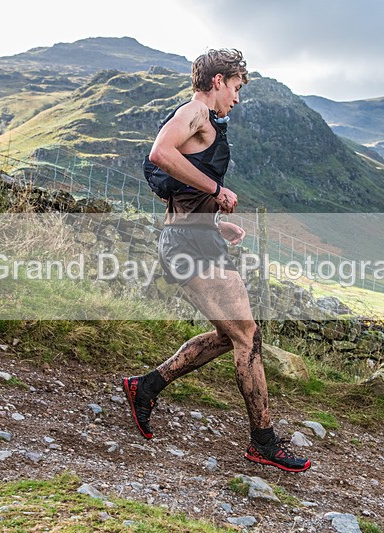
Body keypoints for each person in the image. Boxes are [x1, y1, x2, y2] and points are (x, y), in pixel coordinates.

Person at [122, 49, 311, 473]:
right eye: (237, 88)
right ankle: (263, 441)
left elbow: (181, 194)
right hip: (188, 245)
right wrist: (218, 190)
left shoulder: (206, 123)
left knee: (232, 335)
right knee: (248, 335)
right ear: (218, 81)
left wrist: (215, 222)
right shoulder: (195, 113)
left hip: (194, 237)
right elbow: (159, 153)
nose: (238, 99)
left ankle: (145, 387)